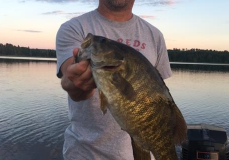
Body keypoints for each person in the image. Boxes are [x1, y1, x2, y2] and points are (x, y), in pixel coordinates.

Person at [56, 0, 172, 159]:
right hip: (85, 154)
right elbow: (74, 84)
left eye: (103, 41)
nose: (98, 41)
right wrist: (73, 83)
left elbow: (161, 98)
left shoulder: (155, 35)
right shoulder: (74, 28)